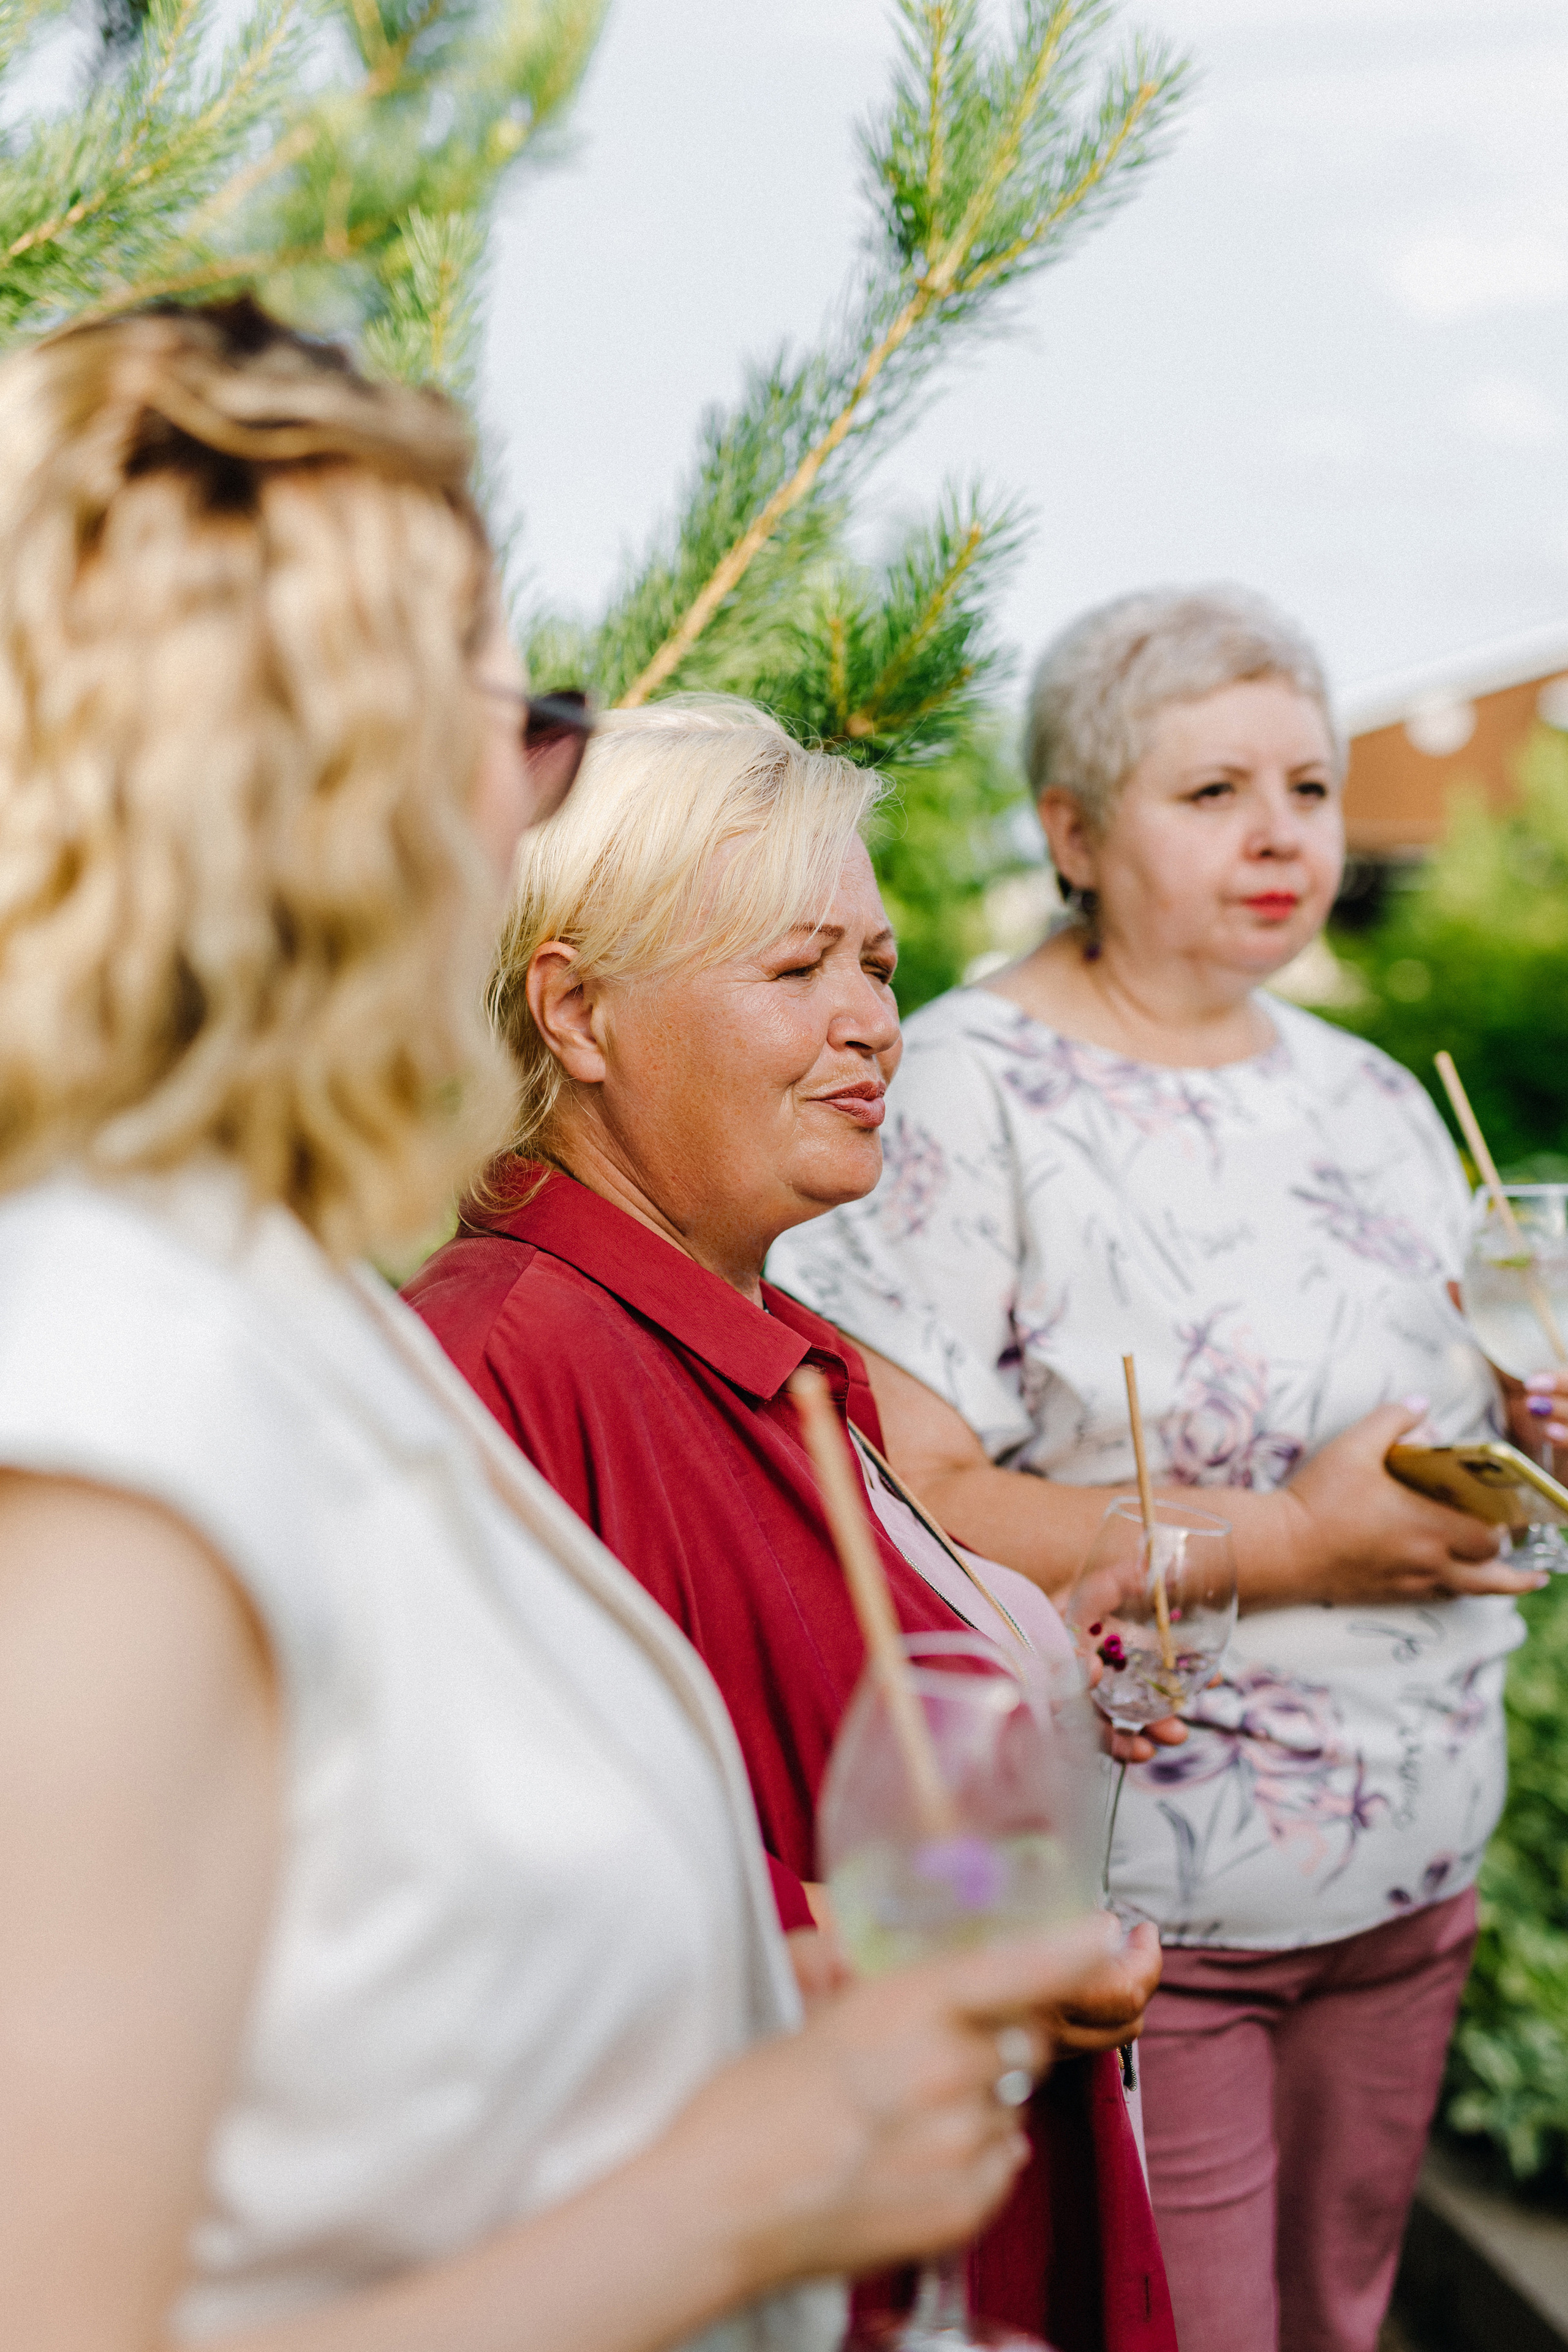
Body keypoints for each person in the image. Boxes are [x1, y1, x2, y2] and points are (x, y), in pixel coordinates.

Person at [0, 300, 1129, 2352]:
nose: (535, 803)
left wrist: (788, 2008)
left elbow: (369, 2011)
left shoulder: (267, 1307)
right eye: (503, 717)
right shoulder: (102, 1419)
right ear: (284, 784)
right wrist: (738, 2196)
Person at [764, 584, 1564, 2352]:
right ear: (1070, 829)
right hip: (1152, 1909)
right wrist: (1291, 1542)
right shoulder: (960, 1096)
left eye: (1308, 786)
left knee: (1340, 2319)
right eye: (1210, 795)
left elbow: (1460, 1405)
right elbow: (900, 1495)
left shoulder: (1370, 1097)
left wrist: (1525, 1439)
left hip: (1417, 1870)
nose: (1279, 835)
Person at [405, 698, 1181, 2352]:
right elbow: (483, 1881)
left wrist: (1054, 1673)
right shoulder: (500, 1356)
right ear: (578, 1011)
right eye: (796, 969)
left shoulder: (771, 1338)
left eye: (880, 968)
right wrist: (975, 1963)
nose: (871, 1023)